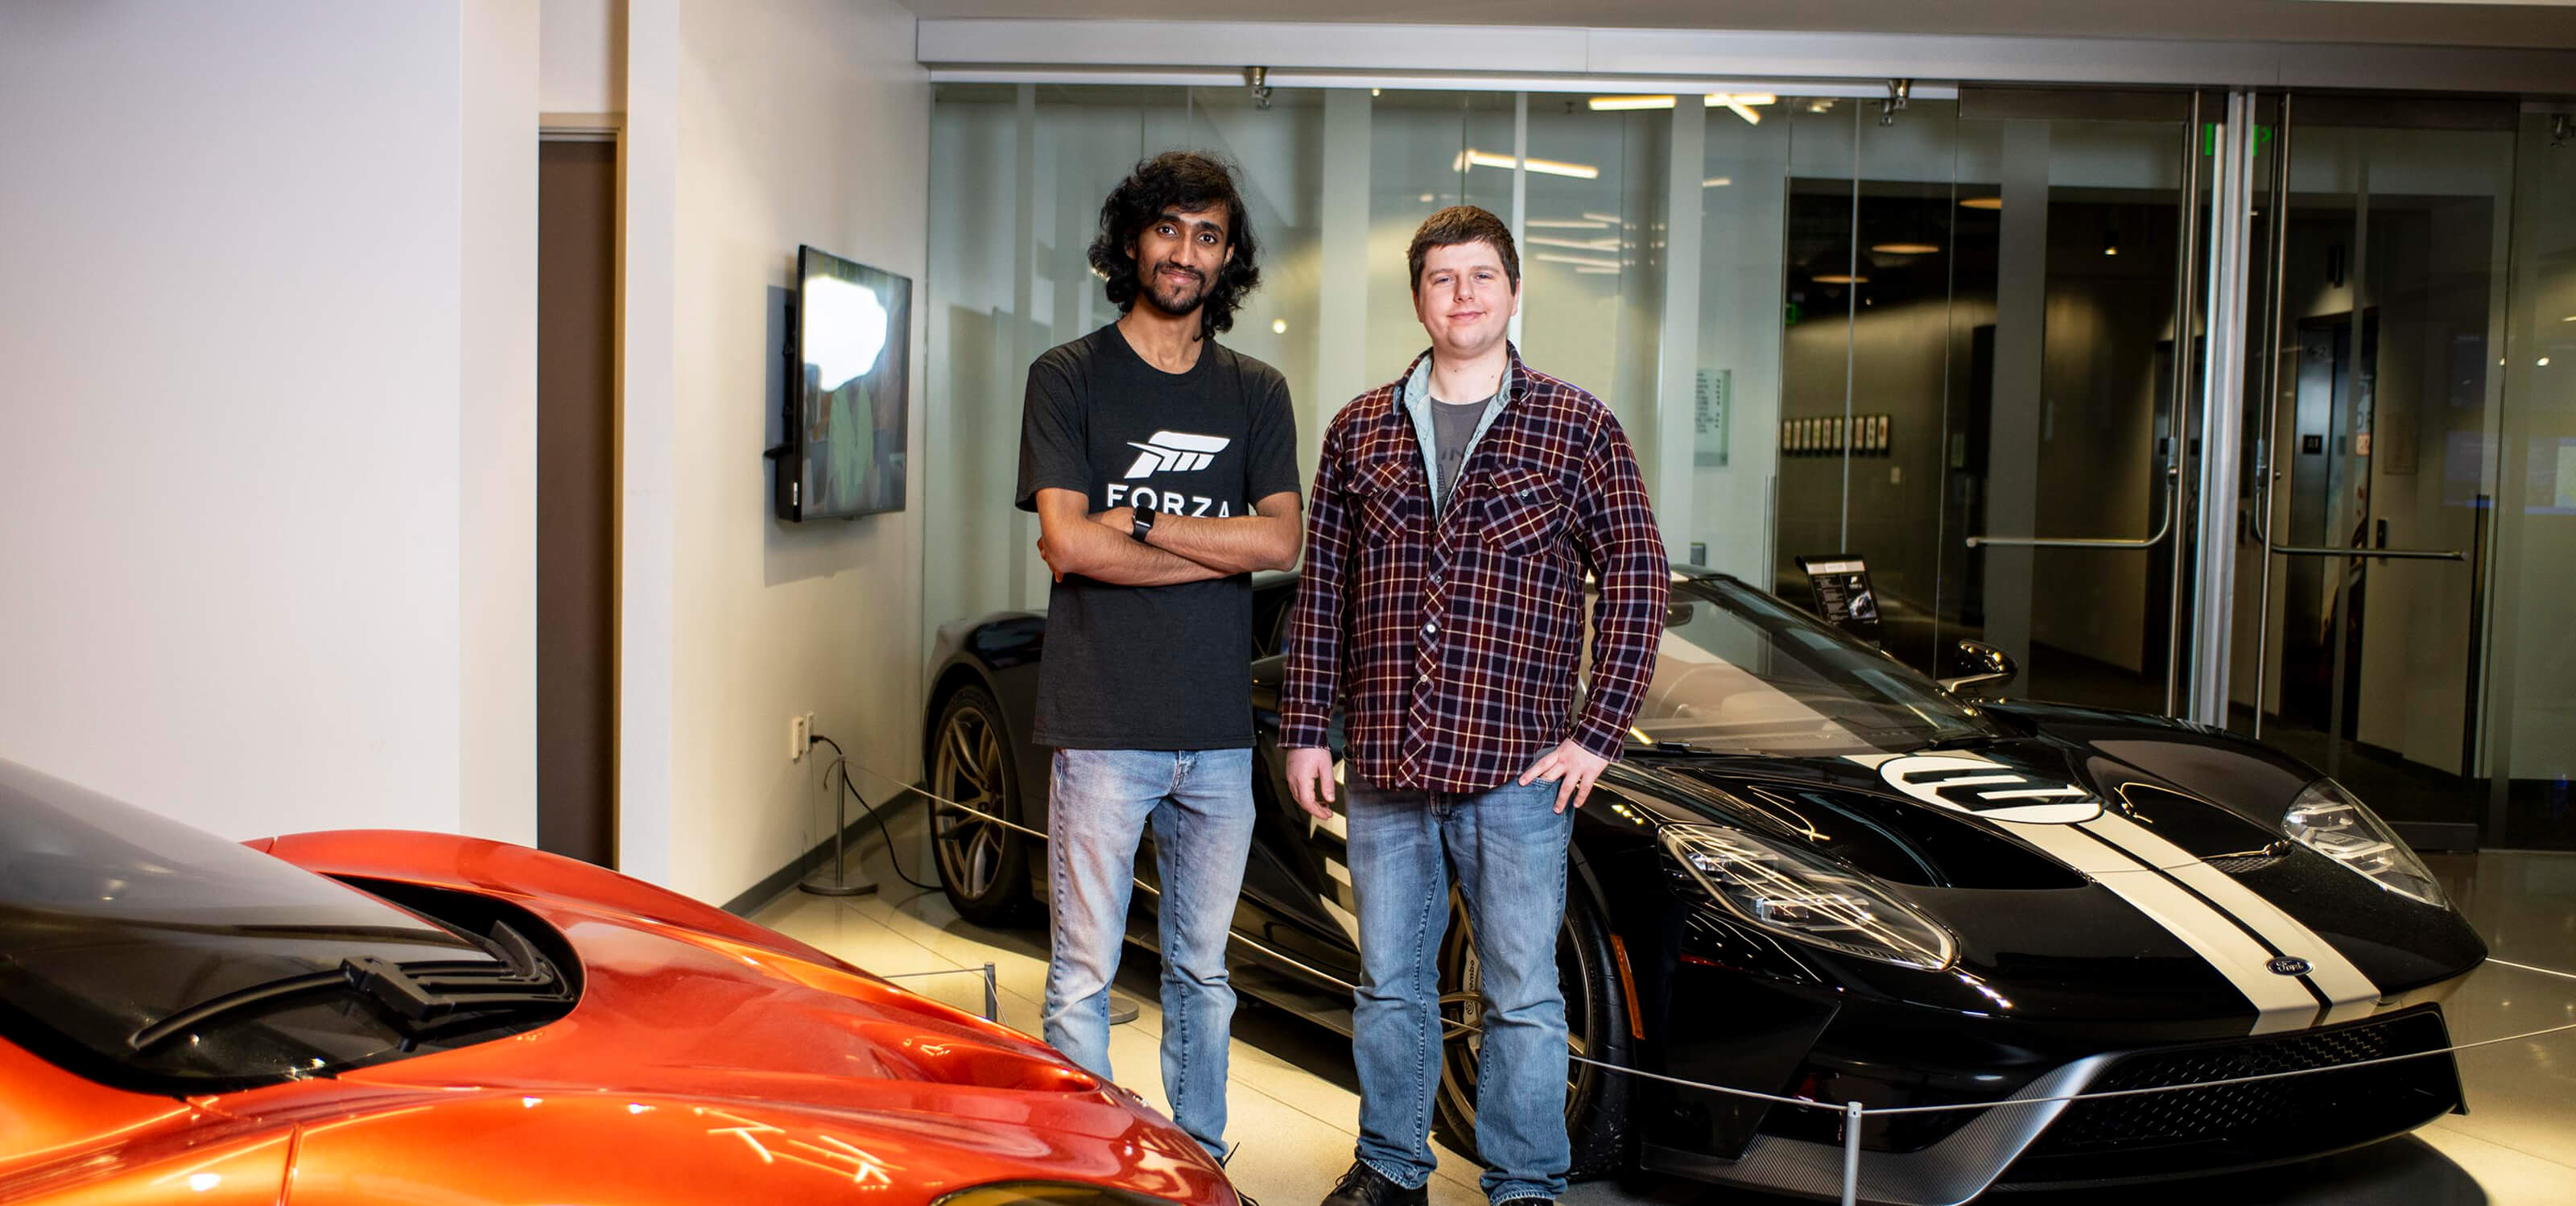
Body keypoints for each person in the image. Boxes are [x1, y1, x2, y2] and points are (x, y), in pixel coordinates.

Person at [1277, 207, 1668, 1206]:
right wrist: (1306, 730)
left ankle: (1524, 1184)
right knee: (1388, 984)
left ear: (1512, 290)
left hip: (1517, 771)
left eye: (1481, 276)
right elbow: (1322, 591)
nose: (1462, 295)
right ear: (1418, 297)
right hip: (1387, 769)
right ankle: (1391, 1168)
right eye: (1443, 278)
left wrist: (1598, 732)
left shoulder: (1577, 427)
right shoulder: (1358, 428)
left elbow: (1638, 577)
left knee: (1523, 997)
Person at [1015, 151, 1302, 1163]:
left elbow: (1279, 544)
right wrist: (1203, 546)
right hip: (1101, 725)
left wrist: (1133, 525)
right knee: (1082, 972)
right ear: (1132, 240)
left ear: (1229, 259)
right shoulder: (1067, 376)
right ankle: (1090, 1170)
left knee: (1203, 974)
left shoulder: (1254, 391)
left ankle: (1201, 1162)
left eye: (1208, 235)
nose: (1185, 252)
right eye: (1169, 229)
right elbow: (1066, 544)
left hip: (1216, 734)